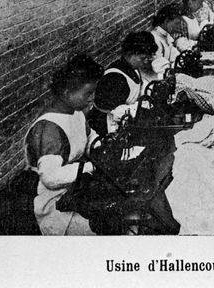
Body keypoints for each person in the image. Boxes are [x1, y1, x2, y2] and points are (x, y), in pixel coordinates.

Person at [24, 54, 104, 235]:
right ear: (67, 93)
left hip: (74, 190)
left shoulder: (76, 113)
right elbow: (50, 177)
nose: (92, 98)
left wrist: (103, 145)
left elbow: (88, 137)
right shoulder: (49, 127)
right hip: (52, 203)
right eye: (88, 93)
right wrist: (91, 167)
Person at [88, 31, 157, 135]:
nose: (146, 61)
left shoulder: (134, 69)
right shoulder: (115, 78)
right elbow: (114, 111)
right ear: (130, 54)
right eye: (143, 58)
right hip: (107, 126)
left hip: (125, 119)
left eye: (148, 58)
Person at [149, 4, 185, 79]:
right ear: (166, 21)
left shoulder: (166, 36)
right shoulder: (155, 39)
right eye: (176, 24)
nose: (178, 27)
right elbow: (159, 68)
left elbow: (175, 56)